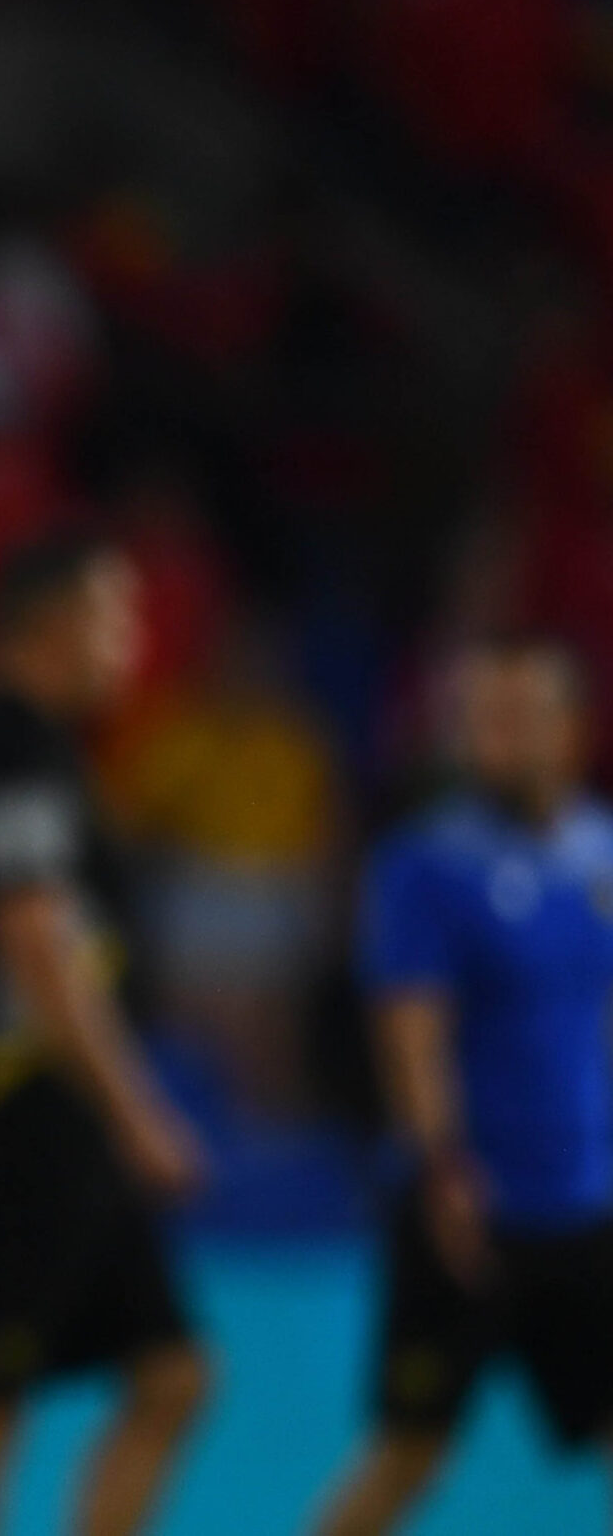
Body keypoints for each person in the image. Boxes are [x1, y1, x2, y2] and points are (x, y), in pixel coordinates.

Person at [0, 530, 213, 1536]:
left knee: (171, 1374)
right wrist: (138, 1111)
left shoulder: (32, 747)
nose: (130, 641)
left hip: (60, 1117)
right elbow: (34, 943)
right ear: (52, 623)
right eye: (115, 616)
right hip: (15, 1115)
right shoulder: (8, 752)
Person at [311, 635, 613, 1535]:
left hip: (587, 1207)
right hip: (468, 1213)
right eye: (483, 720)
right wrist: (443, 1164)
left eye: (521, 718)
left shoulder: (600, 853)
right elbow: (412, 1027)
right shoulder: (427, 864)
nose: (499, 739)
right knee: (411, 1455)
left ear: (573, 729)